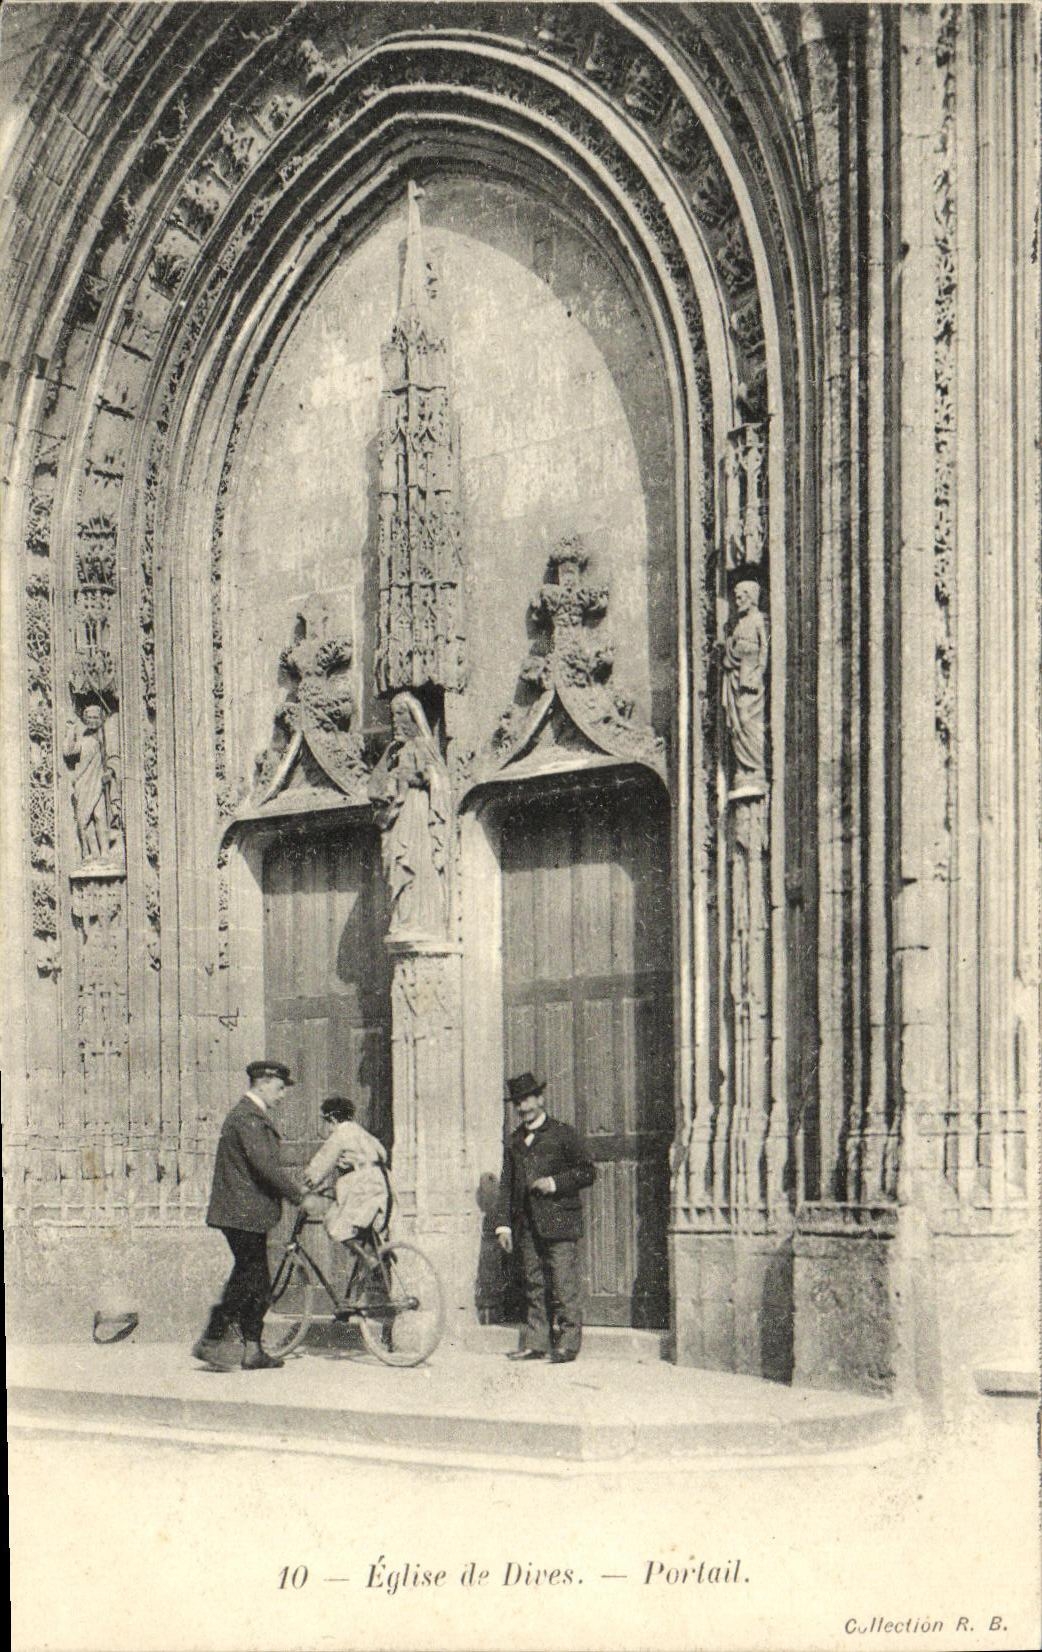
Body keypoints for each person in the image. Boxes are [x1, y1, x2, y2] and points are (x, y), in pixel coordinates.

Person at [194, 1059, 324, 1371]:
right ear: (263, 1083)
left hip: (246, 1212)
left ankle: (252, 1349)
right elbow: (265, 1166)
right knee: (248, 1277)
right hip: (241, 1212)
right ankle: (212, 1339)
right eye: (279, 1089)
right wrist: (300, 1197)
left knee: (257, 1279)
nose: (282, 1096)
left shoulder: (250, 1116)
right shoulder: (247, 1118)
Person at [494, 1072, 596, 1364]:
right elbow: (506, 1185)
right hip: (527, 1226)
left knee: (563, 1284)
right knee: (533, 1284)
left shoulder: (563, 1133)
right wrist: (504, 1225)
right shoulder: (514, 1141)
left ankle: (567, 1344)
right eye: (517, 1103)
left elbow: (587, 1172)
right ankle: (536, 1342)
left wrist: (553, 1183)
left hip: (560, 1222)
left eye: (527, 1100)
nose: (523, 1107)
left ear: (540, 1099)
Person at [367, 692, 451, 939]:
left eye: (400, 714)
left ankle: (422, 921)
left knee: (415, 860)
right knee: (397, 862)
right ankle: (405, 919)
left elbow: (440, 779)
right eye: (392, 715)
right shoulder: (395, 750)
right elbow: (378, 783)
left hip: (416, 810)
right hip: (400, 814)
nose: (395, 721)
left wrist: (418, 778)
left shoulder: (423, 745)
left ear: (413, 717)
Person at [302, 1096, 388, 1241]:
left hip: (361, 1187)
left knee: (335, 1225)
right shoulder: (360, 1131)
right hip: (378, 1182)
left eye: (328, 1123)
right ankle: (367, 1259)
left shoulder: (340, 1134)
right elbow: (383, 1154)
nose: (329, 1128)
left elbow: (323, 1162)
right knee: (358, 1227)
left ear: (334, 1120)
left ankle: (369, 1260)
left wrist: (307, 1184)